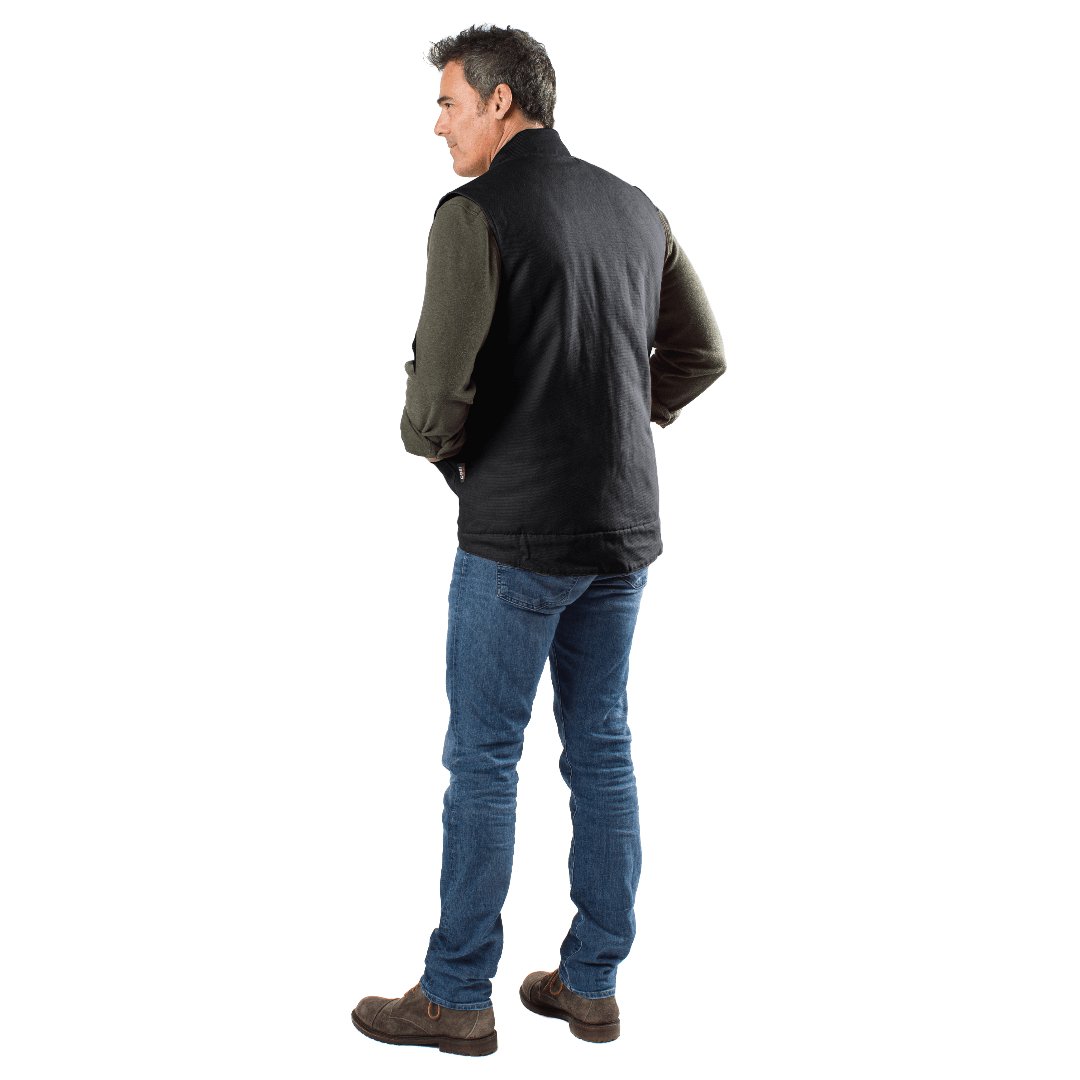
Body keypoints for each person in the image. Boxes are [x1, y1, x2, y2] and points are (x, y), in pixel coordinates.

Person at [351, 25, 725, 1056]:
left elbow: (436, 398)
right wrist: (617, 414)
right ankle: (591, 984)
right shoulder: (635, 207)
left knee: (483, 759)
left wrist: (445, 448)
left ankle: (457, 995)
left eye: (449, 104)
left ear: (501, 100)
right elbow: (701, 351)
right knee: (601, 746)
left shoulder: (474, 213)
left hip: (516, 534)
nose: (438, 125)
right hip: (622, 529)